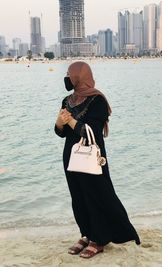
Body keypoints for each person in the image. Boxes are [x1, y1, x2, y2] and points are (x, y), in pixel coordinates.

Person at [55, 61, 140, 259]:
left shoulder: (97, 100)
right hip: (71, 156)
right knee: (78, 197)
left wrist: (71, 121)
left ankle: (99, 239)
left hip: (92, 156)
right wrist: (59, 122)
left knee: (97, 195)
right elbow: (61, 133)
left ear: (79, 76)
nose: (67, 77)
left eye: (69, 73)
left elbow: (92, 132)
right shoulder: (67, 100)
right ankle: (86, 234)